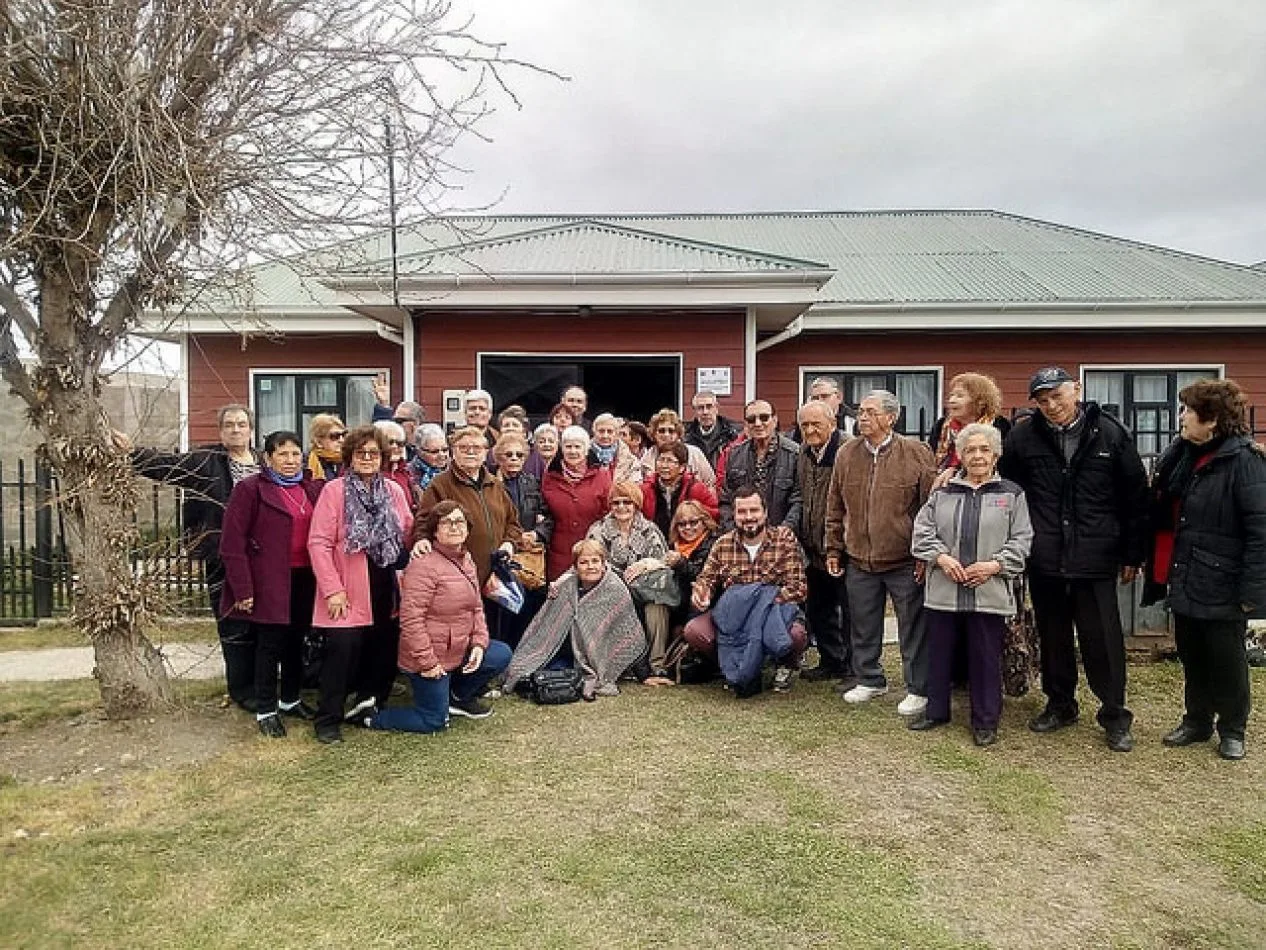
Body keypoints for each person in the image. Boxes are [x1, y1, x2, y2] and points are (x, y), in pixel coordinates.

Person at [1000, 366, 1149, 753]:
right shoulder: (1022, 437)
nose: (1052, 405)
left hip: (1096, 554)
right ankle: (1060, 704)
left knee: (1103, 638)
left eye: (1058, 396)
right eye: (1043, 399)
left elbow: (1135, 497)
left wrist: (1134, 552)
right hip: (1045, 554)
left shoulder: (1111, 433)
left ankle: (1115, 714)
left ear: (1076, 391)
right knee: (1053, 637)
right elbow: (1011, 493)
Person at [1142, 379, 1266, 761]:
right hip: (1185, 570)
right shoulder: (1181, 454)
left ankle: (1232, 728)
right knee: (1192, 652)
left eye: (1188, 411)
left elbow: (1260, 530)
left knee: (1226, 658)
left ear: (1211, 420)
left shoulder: (1244, 461)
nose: (1181, 417)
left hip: (1223, 579)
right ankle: (1196, 720)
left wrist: (1252, 594)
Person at [122, 404, 261, 710]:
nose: (236, 429)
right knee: (233, 624)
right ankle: (242, 690)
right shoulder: (206, 461)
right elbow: (167, 465)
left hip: (263, 560)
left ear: (251, 429)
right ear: (221, 431)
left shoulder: (266, 462)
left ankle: (264, 683)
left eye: (241, 424)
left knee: (263, 625)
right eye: (229, 425)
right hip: (222, 557)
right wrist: (132, 452)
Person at [910, 423, 1034, 746]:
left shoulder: (1012, 494)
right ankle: (936, 711)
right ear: (960, 456)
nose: (977, 456)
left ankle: (985, 721)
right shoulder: (943, 493)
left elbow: (1022, 539)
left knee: (984, 657)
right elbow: (921, 532)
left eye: (984, 450)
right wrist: (941, 558)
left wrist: (996, 565)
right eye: (970, 450)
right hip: (944, 591)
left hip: (988, 591)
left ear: (995, 454)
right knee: (939, 655)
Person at [825, 390, 936, 716]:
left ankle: (918, 687)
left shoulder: (916, 453)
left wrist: (924, 555)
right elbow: (835, 505)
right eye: (861, 412)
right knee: (862, 623)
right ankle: (870, 678)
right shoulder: (847, 454)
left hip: (904, 559)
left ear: (891, 417)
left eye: (871, 412)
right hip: (859, 557)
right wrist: (833, 547)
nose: (863, 418)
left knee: (912, 626)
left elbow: (930, 509)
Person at [307, 425, 414, 744]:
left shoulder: (394, 490)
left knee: (382, 648)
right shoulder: (334, 491)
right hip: (348, 584)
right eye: (361, 453)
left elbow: (407, 529)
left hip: (386, 580)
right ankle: (328, 718)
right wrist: (332, 589)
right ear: (350, 457)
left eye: (374, 453)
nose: (367, 458)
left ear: (382, 457)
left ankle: (369, 704)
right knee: (343, 650)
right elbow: (319, 543)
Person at [366, 501, 512, 733]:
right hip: (429, 656)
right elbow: (411, 619)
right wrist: (427, 663)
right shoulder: (423, 566)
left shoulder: (467, 560)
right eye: (447, 522)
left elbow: (476, 608)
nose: (455, 527)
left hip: (458, 647)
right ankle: (374, 718)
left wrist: (478, 644)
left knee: (500, 653)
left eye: (460, 522)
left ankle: (457, 695)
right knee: (434, 721)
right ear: (435, 530)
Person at [219, 430, 323, 737]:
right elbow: (231, 543)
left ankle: (290, 698)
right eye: (282, 454)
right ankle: (266, 708)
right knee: (269, 644)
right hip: (268, 580)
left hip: (305, 577)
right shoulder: (250, 490)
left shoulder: (311, 488)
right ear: (268, 458)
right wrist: (243, 588)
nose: (290, 460)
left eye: (295, 454)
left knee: (297, 641)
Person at [688, 487, 808, 695]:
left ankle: (784, 665)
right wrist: (701, 595)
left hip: (774, 614)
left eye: (754, 510)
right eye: (742, 512)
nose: (749, 517)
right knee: (695, 631)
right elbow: (705, 580)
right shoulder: (723, 544)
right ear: (733, 515)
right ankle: (732, 665)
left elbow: (798, 589)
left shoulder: (784, 539)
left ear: (765, 512)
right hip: (734, 619)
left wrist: (759, 606)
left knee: (796, 635)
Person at [504, 539, 648, 698]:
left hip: (596, 656)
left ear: (603, 563)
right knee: (533, 668)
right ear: (575, 567)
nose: (591, 566)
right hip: (563, 650)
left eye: (595, 561)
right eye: (584, 562)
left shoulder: (615, 588)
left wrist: (645, 675)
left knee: (564, 673)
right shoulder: (566, 585)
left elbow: (628, 633)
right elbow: (545, 624)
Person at [585, 481, 673, 679]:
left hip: (644, 590)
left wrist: (647, 564)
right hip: (611, 592)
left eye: (627, 502)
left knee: (657, 607)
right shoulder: (598, 530)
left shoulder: (650, 530)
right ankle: (618, 665)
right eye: (616, 502)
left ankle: (657, 663)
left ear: (636, 504)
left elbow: (663, 561)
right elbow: (589, 560)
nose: (622, 507)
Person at [418, 426, 521, 586]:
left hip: (496, 578)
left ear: (486, 453)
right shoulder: (439, 485)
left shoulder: (496, 485)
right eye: (463, 447)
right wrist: (422, 540)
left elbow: (513, 523)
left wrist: (509, 544)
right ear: (453, 452)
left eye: (477, 448)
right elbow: (423, 523)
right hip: (456, 577)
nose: (470, 452)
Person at [795, 400, 852, 684]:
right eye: (805, 425)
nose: (810, 430)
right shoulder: (804, 453)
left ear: (832, 423)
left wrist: (838, 545)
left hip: (843, 547)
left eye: (816, 424)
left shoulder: (848, 451)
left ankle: (854, 668)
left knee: (851, 612)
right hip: (813, 546)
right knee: (820, 609)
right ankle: (832, 662)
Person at [493, 432, 553, 648]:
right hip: (501, 553)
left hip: (529, 556)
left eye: (519, 455)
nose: (514, 459)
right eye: (508, 454)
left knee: (529, 604)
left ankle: (523, 653)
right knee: (502, 608)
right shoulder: (490, 483)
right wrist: (513, 539)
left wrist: (538, 533)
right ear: (498, 457)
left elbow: (547, 516)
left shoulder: (533, 483)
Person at [541, 426, 613, 580]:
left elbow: (608, 510)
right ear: (561, 449)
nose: (573, 451)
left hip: (593, 550)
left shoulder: (602, 474)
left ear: (586, 449)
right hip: (559, 552)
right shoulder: (550, 475)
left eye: (577, 446)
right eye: (568, 446)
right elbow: (545, 510)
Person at [718, 399, 801, 531]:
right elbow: (726, 500)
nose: (758, 424)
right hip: (742, 535)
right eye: (751, 419)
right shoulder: (735, 454)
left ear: (774, 420)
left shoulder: (794, 454)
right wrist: (733, 529)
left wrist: (783, 531)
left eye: (764, 418)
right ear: (746, 424)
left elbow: (798, 501)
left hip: (782, 537)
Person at [928, 372, 1011, 473]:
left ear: (980, 401)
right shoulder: (941, 426)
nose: (951, 400)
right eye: (951, 395)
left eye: (959, 396)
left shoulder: (1001, 426)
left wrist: (956, 471)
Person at [641, 441, 719, 539]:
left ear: (682, 467)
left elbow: (714, 513)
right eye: (661, 460)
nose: (664, 465)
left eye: (670, 461)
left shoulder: (696, 488)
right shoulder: (646, 489)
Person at [664, 500, 720, 632]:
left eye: (693, 522)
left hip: (704, 607)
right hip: (677, 607)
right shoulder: (672, 546)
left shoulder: (714, 544)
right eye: (682, 524)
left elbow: (705, 578)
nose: (688, 528)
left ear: (704, 521)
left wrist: (681, 563)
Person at [644, 408, 716, 489]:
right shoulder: (646, 459)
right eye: (661, 431)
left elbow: (710, 484)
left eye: (671, 431)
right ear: (654, 434)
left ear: (678, 434)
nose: (666, 435)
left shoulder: (695, 454)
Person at [684, 389, 743, 469]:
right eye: (700, 408)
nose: (705, 412)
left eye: (709, 407)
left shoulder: (732, 434)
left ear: (716, 408)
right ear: (695, 411)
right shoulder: (686, 436)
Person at [791, 377, 857, 441]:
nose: (820, 401)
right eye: (815, 398)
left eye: (824, 396)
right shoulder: (805, 421)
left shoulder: (853, 421)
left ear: (839, 397)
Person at [374, 419, 420, 510]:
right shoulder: (367, 472)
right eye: (389, 442)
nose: (395, 447)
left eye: (400, 443)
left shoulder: (405, 472)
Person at [592, 412, 644, 484]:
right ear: (594, 432)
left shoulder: (631, 461)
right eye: (601, 431)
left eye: (610, 431)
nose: (605, 436)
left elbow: (634, 489)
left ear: (616, 434)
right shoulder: (583, 455)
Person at [306, 414, 347, 481]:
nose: (341, 440)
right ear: (318, 442)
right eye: (335, 436)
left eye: (343, 435)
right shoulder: (306, 464)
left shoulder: (350, 461)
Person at [410, 423, 449, 491]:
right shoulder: (409, 475)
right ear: (419, 451)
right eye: (434, 452)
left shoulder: (456, 471)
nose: (442, 455)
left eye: (445, 450)